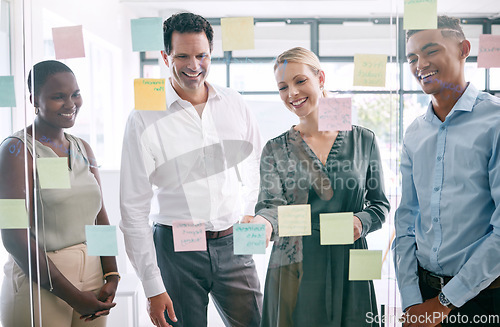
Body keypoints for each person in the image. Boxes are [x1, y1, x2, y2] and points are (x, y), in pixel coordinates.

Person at [120, 12, 264, 327]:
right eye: (182, 56)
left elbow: (256, 167)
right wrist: (152, 285)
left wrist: (252, 215)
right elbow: (133, 208)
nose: (194, 65)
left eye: (202, 55)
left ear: (211, 54)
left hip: (233, 243)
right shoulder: (144, 116)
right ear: (164, 56)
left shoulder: (234, 103)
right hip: (176, 251)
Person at [244, 46, 390, 327]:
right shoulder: (275, 149)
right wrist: (262, 225)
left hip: (349, 261)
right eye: (283, 87)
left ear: (320, 78)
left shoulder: (363, 141)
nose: (292, 94)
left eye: (300, 81)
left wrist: (362, 221)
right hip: (295, 263)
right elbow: (269, 206)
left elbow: (380, 205)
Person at [393, 15, 500, 327]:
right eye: (412, 57)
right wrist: (413, 299)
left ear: (463, 48)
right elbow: (406, 221)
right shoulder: (414, 132)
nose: (420, 64)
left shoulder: (494, 122)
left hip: (484, 297)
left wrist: (444, 303)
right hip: (424, 296)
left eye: (430, 51)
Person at [0, 60, 119, 327]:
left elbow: (99, 216)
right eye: (58, 97)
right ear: (34, 100)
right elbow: (13, 236)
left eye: (75, 94)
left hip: (92, 277)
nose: (71, 104)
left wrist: (111, 274)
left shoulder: (83, 147)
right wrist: (72, 296)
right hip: (40, 280)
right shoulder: (14, 151)